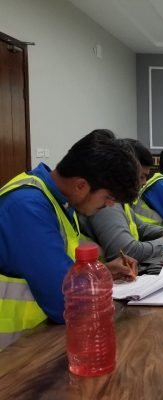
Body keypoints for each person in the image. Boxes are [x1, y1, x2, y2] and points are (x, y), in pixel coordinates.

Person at [0, 130, 140, 347]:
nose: (110, 205)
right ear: (81, 185)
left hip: (41, 338)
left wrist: (103, 271)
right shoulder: (27, 207)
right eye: (109, 197)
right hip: (14, 353)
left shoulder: (61, 201)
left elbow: (61, 271)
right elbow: (64, 302)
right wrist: (99, 282)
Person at [79, 139, 163, 264]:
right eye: (141, 176)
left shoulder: (120, 201)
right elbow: (125, 251)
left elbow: (141, 228)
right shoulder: (107, 203)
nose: (144, 182)